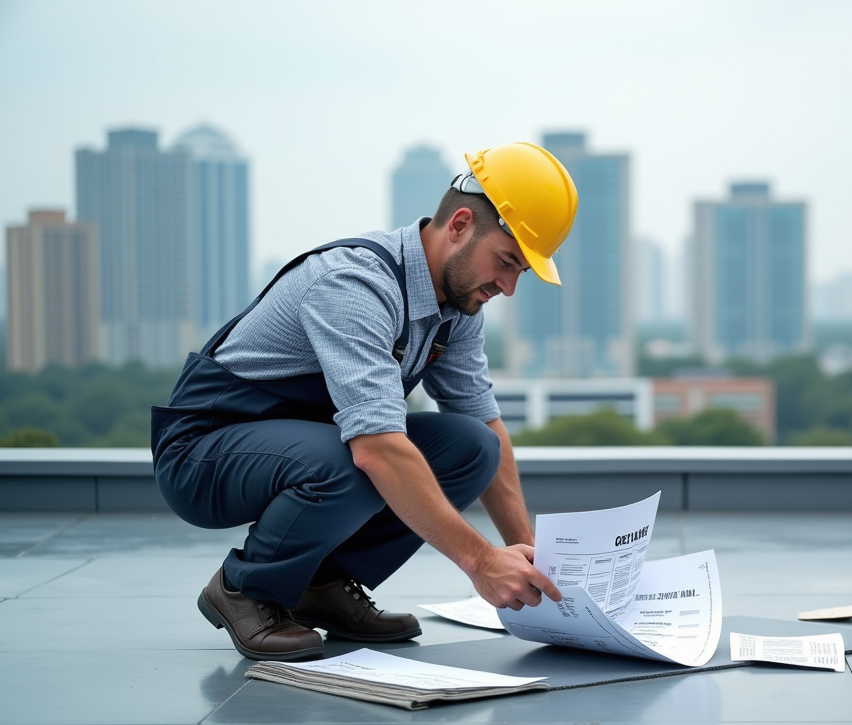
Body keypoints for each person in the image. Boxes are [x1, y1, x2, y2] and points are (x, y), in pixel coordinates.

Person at [151, 142, 576, 661]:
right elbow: (375, 449)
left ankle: (320, 584)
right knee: (359, 459)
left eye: (521, 272)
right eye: (506, 262)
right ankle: (246, 588)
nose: (508, 287)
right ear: (460, 225)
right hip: (202, 455)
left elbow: (484, 423)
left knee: (472, 447)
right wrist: (483, 562)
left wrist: (531, 567)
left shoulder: (458, 309)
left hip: (304, 444)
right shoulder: (355, 283)